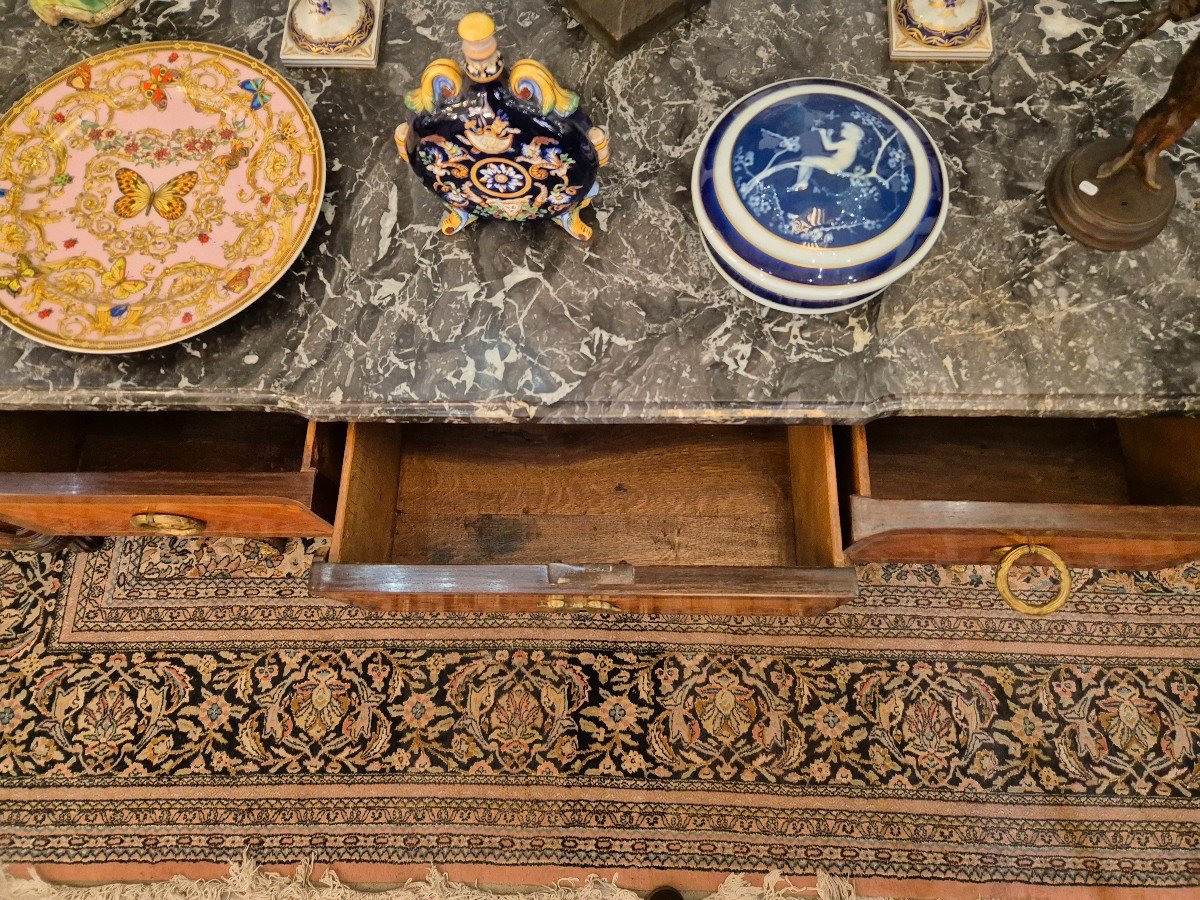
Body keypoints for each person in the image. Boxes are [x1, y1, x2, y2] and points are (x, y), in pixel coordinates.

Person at [789, 122, 865, 192]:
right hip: (836, 165)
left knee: (805, 159)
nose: (842, 130)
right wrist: (828, 135)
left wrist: (822, 134)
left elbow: (828, 147)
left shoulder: (848, 143)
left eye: (845, 129)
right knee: (810, 163)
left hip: (834, 164)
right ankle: (804, 180)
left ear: (850, 133)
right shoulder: (852, 144)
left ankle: (798, 182)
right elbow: (831, 146)